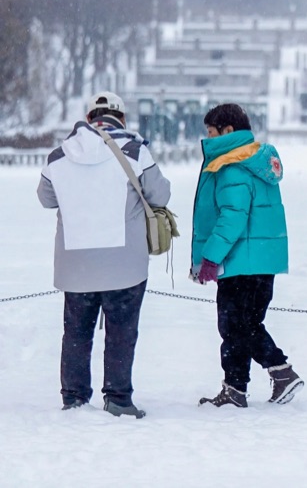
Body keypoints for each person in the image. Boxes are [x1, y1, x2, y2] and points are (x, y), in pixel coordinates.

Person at [37, 91, 172, 418]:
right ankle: (118, 398)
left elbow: (45, 198)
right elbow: (161, 194)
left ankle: (74, 396)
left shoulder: (59, 155)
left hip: (76, 263)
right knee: (122, 332)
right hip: (124, 263)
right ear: (121, 118)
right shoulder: (135, 151)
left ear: (89, 117)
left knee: (76, 333)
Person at [192, 103, 303, 408]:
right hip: (261, 260)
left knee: (238, 327)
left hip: (240, 261)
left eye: (211, 132)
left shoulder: (232, 167)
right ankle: (235, 389)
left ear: (227, 132)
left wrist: (210, 258)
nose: (208, 138)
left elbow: (232, 217)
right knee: (244, 325)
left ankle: (281, 373)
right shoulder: (255, 161)